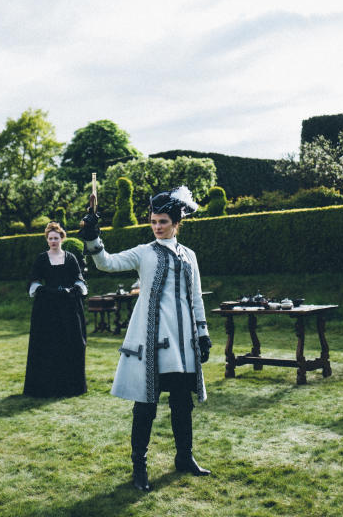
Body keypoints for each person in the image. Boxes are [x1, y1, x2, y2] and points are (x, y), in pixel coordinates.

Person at [79, 186, 212, 492]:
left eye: (163, 221)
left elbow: (196, 299)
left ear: (176, 223)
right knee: (146, 406)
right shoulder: (144, 253)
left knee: (182, 403)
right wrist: (92, 237)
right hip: (152, 343)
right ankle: (139, 467)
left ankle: (184, 457)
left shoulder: (189, 256)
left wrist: (202, 333)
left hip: (183, 343)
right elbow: (106, 263)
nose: (157, 226)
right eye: (153, 221)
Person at [23, 222, 88, 398]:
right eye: (50, 238)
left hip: (68, 306)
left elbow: (79, 279)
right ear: (47, 240)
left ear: (62, 239)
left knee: (70, 342)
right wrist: (45, 290)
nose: (53, 241)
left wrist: (71, 290)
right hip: (47, 308)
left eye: (56, 238)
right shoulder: (42, 258)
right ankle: (46, 387)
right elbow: (33, 280)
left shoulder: (71, 258)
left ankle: (70, 386)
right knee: (48, 344)